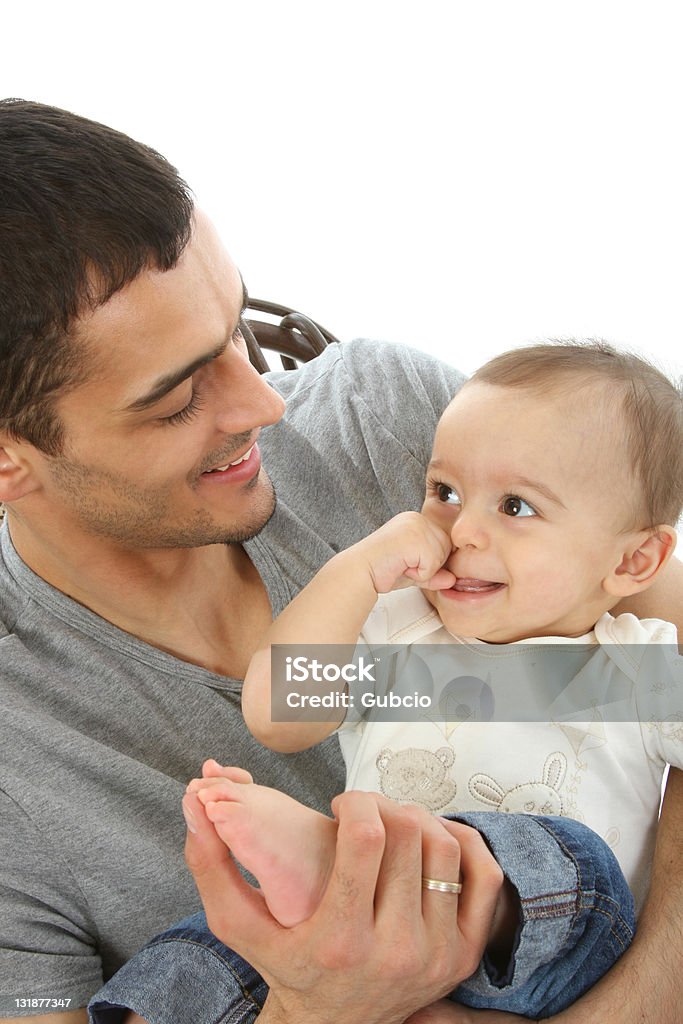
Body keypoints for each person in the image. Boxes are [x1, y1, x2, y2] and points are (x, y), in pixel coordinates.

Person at [0, 99, 680, 1024]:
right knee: (198, 963)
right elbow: (289, 706)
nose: (266, 406)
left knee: (541, 866)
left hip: (552, 925)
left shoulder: (402, 420)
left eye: (237, 329)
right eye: (173, 398)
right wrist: (320, 1005)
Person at [175, 342, 682, 1018]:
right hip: (361, 951)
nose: (461, 527)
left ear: (633, 560)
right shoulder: (398, 631)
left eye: (515, 507)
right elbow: (278, 715)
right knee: (209, 942)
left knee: (565, 859)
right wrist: (354, 572)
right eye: (444, 492)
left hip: (545, 964)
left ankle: (336, 859)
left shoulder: (635, 668)